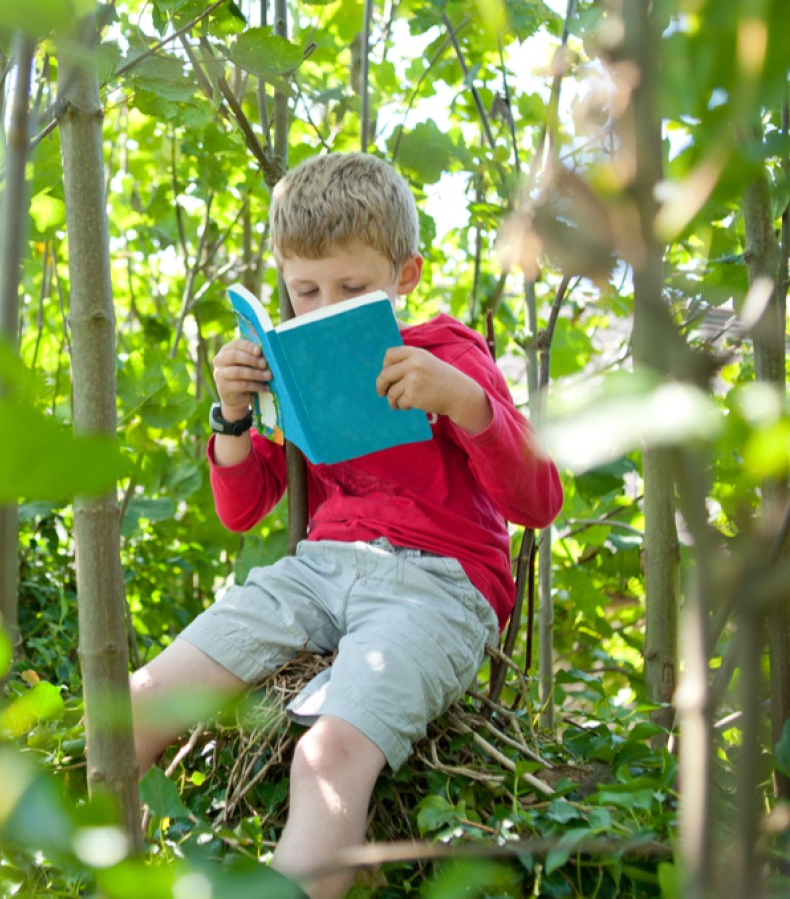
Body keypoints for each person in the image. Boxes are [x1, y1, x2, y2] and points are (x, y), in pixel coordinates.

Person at [130, 152, 563, 899]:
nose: (324, 307)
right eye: (305, 291)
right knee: (139, 699)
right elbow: (242, 507)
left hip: (438, 587)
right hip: (317, 571)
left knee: (326, 755)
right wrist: (233, 416)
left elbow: (539, 499)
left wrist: (464, 402)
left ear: (405, 275)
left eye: (352, 289)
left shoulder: (449, 354)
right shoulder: (295, 362)